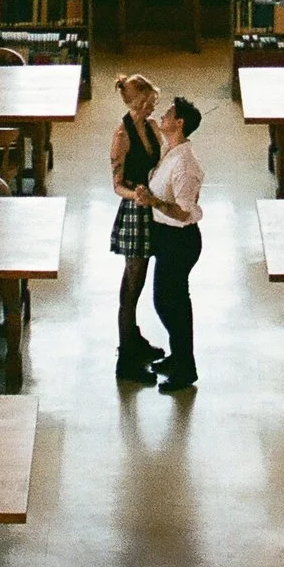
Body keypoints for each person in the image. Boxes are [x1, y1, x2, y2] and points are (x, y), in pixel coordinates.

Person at [128, 95, 204, 394]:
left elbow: (184, 210)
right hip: (168, 238)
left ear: (180, 123)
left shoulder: (185, 164)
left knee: (169, 303)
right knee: (172, 301)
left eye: (169, 114)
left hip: (180, 240)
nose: (163, 116)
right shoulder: (171, 151)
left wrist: (153, 201)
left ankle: (186, 368)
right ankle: (179, 358)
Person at [107, 74, 165, 382]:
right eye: (147, 103)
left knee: (140, 282)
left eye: (153, 102)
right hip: (136, 211)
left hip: (154, 207)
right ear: (134, 102)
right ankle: (126, 356)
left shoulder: (153, 127)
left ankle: (135, 338)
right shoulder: (122, 136)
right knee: (132, 283)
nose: (152, 108)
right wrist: (137, 196)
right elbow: (117, 185)